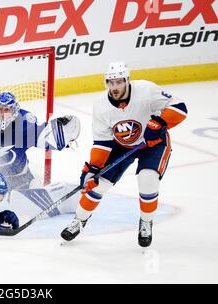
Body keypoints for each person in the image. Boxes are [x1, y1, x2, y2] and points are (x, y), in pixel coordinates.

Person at [60, 62, 188, 247]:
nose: (114, 87)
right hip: (120, 145)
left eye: (118, 82)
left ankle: (146, 221)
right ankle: (79, 221)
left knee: (147, 178)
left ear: (127, 81)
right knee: (97, 184)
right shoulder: (101, 106)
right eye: (110, 83)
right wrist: (93, 168)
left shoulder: (146, 90)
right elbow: (102, 142)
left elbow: (180, 107)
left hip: (153, 144)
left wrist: (160, 123)